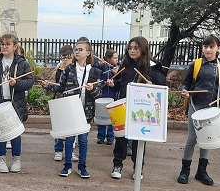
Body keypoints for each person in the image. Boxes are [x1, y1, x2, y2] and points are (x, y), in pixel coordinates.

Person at [177, 34, 220, 186]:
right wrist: (184, 92)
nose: (208, 50)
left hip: (212, 109)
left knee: (207, 140)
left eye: (211, 47)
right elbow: (186, 83)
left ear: (218, 49)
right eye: (205, 46)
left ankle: (201, 172)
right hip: (195, 106)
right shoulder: (195, 64)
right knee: (192, 139)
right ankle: (185, 171)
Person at [108, 37, 167, 179]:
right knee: (121, 138)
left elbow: (162, 88)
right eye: (130, 48)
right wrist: (112, 84)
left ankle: (138, 167)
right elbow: (119, 84)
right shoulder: (125, 66)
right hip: (123, 106)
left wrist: (153, 86)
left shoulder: (152, 68)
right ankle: (118, 164)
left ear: (143, 49)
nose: (132, 51)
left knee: (139, 139)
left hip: (141, 110)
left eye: (135, 48)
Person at [43, 40, 102, 178]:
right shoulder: (69, 69)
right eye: (75, 49)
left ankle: (82, 167)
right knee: (69, 140)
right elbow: (61, 88)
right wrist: (49, 85)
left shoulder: (95, 72)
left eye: (80, 49)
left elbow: (98, 94)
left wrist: (92, 89)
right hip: (71, 110)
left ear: (88, 53)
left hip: (86, 111)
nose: (76, 52)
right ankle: (67, 166)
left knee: (83, 141)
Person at [0, 33, 34, 173]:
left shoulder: (22, 63)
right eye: (2, 44)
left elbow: (30, 82)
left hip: (15, 104)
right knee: (1, 132)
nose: (4, 46)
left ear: (15, 46)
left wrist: (17, 83)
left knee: (15, 133)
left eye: (7, 44)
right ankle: (1, 159)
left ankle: (17, 159)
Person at [51, 44, 78, 163]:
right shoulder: (59, 68)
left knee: (72, 128)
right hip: (59, 99)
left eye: (67, 57)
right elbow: (54, 82)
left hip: (72, 101)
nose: (65, 60)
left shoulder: (77, 68)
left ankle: (70, 151)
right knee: (59, 125)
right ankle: (58, 150)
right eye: (63, 57)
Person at [97, 49, 119, 145]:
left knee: (111, 117)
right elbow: (97, 76)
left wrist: (116, 74)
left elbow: (120, 81)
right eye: (115, 58)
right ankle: (100, 136)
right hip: (103, 94)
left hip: (113, 95)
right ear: (108, 59)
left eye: (117, 58)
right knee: (101, 115)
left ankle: (110, 137)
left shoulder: (118, 68)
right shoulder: (102, 67)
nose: (117, 60)